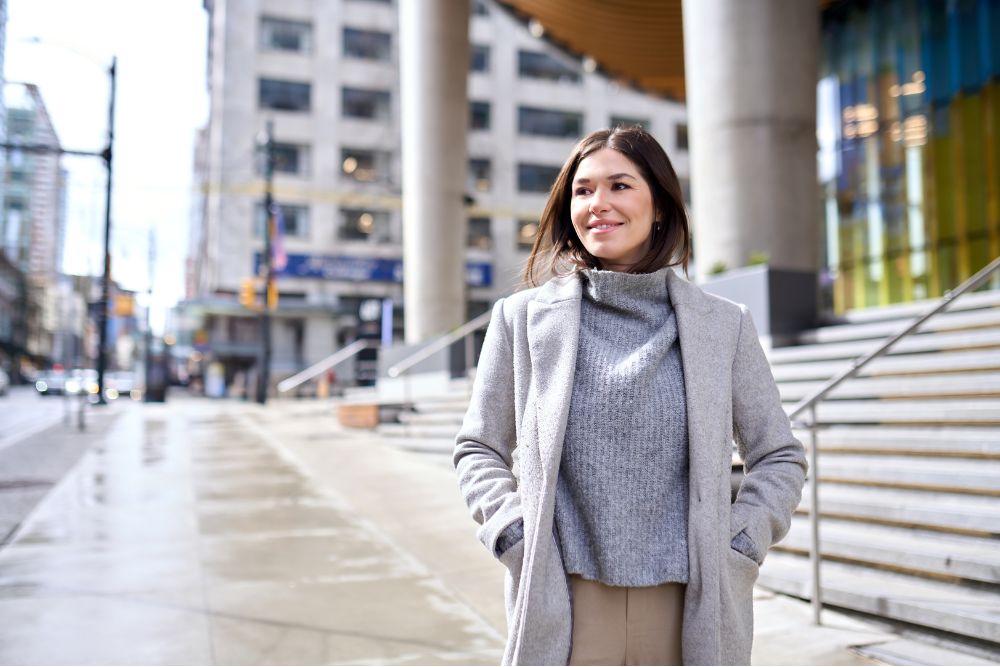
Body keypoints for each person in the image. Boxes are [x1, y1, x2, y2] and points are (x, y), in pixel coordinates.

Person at [453, 126, 807, 666]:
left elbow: (779, 455)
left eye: (620, 186)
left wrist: (743, 541)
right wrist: (513, 534)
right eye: (583, 190)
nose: (599, 204)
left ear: (659, 205)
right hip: (563, 599)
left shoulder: (723, 325)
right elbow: (478, 447)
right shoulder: (520, 319)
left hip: (689, 604)